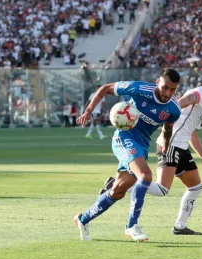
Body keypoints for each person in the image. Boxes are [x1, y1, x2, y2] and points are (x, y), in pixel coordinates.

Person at [100, 72, 202, 235]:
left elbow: (191, 133)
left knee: (196, 187)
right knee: (162, 189)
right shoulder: (199, 94)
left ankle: (180, 226)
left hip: (182, 146)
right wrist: (166, 119)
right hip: (171, 145)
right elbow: (175, 106)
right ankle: (117, 185)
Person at [74, 68, 182, 241]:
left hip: (142, 145)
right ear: (158, 82)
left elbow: (167, 128)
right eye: (165, 87)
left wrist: (166, 145)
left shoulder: (174, 109)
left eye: (173, 90)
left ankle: (83, 218)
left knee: (118, 191)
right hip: (124, 138)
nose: (168, 93)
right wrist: (89, 110)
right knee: (145, 176)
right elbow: (105, 88)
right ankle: (132, 226)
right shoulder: (139, 89)